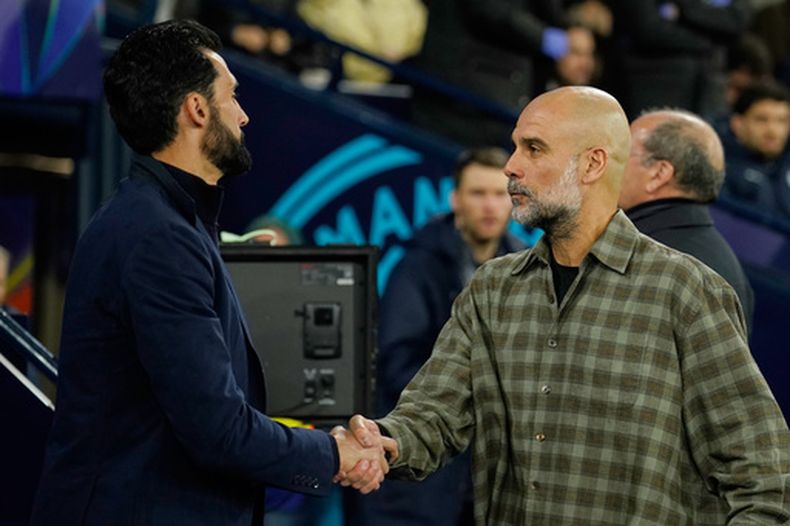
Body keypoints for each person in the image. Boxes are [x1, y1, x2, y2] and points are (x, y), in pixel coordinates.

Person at [341, 86, 790, 524]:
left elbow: (762, 468)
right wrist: (386, 442)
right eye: (515, 146)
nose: (512, 166)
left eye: (534, 148)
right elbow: (435, 413)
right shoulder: (493, 288)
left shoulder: (685, 290)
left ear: (593, 164)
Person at [30, 20, 388, 526]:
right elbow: (218, 430)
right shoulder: (159, 238)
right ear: (197, 110)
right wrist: (334, 454)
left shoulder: (164, 224)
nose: (243, 115)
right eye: (232, 96)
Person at [363, 147, 524, 525]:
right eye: (478, 193)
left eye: (499, 194)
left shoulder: (525, 264)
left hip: (492, 478)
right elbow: (398, 364)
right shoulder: (416, 266)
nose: (490, 205)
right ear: (455, 200)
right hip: (424, 482)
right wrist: (479, 394)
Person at [619, 108, 754, 334]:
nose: (609, 164)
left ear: (658, 174)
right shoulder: (721, 261)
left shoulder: (644, 258)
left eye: (622, 152)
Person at [719, 81, 790, 220]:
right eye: (761, 120)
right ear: (737, 124)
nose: (773, 131)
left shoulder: (785, 166)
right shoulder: (720, 169)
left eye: (782, 121)